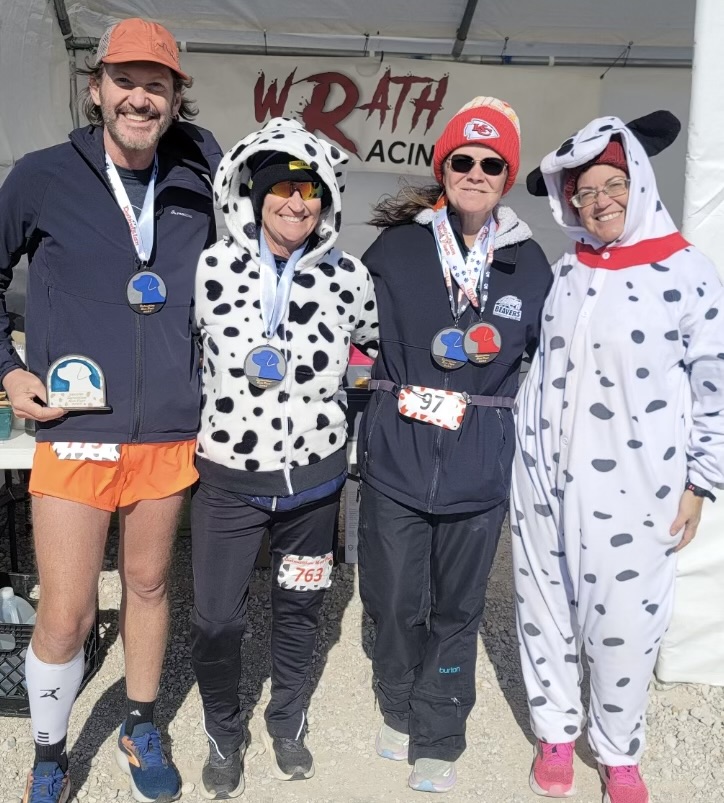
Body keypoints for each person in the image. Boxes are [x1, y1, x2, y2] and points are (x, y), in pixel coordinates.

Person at [0, 18, 221, 803]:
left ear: (175, 99)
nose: (139, 98)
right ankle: (50, 752)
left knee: (149, 584)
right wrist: (8, 370)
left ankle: (138, 722)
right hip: (77, 428)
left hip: (168, 428)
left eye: (156, 85)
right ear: (95, 89)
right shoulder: (41, 176)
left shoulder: (202, 174)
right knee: (65, 611)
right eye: (124, 81)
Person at [513, 113, 724, 803]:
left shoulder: (688, 271)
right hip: (541, 472)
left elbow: (715, 385)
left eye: (613, 184)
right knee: (545, 603)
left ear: (639, 182)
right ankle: (555, 732)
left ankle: (619, 750)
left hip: (638, 484)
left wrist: (700, 482)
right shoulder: (568, 267)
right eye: (585, 191)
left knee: (626, 624)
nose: (599, 200)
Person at [356, 97, 552, 793]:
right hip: (397, 459)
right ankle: (397, 700)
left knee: (458, 608)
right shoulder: (397, 248)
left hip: (477, 469)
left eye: (491, 164)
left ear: (506, 176)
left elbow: (553, 361)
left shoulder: (528, 262)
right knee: (392, 596)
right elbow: (352, 335)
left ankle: (440, 730)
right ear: (443, 168)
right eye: (463, 160)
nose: (475, 172)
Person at [191, 117, 378, 799]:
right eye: (282, 189)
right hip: (229, 483)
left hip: (314, 488)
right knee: (217, 619)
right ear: (255, 193)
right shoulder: (211, 266)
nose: (297, 203)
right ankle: (223, 730)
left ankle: (288, 720)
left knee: (300, 609)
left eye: (310, 191)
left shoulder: (349, 275)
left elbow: (373, 354)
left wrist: (338, 418)